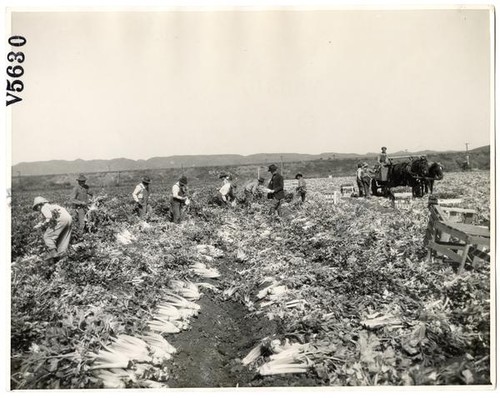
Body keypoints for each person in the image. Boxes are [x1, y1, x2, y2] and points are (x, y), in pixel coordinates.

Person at [32, 196, 72, 261]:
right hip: (69, 218)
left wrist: (42, 225)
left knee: (47, 236)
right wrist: (40, 224)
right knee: (64, 237)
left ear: (39, 205)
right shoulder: (53, 206)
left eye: (37, 207)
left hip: (61, 220)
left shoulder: (43, 207)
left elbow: (48, 217)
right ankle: (62, 256)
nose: (38, 209)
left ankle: (53, 253)